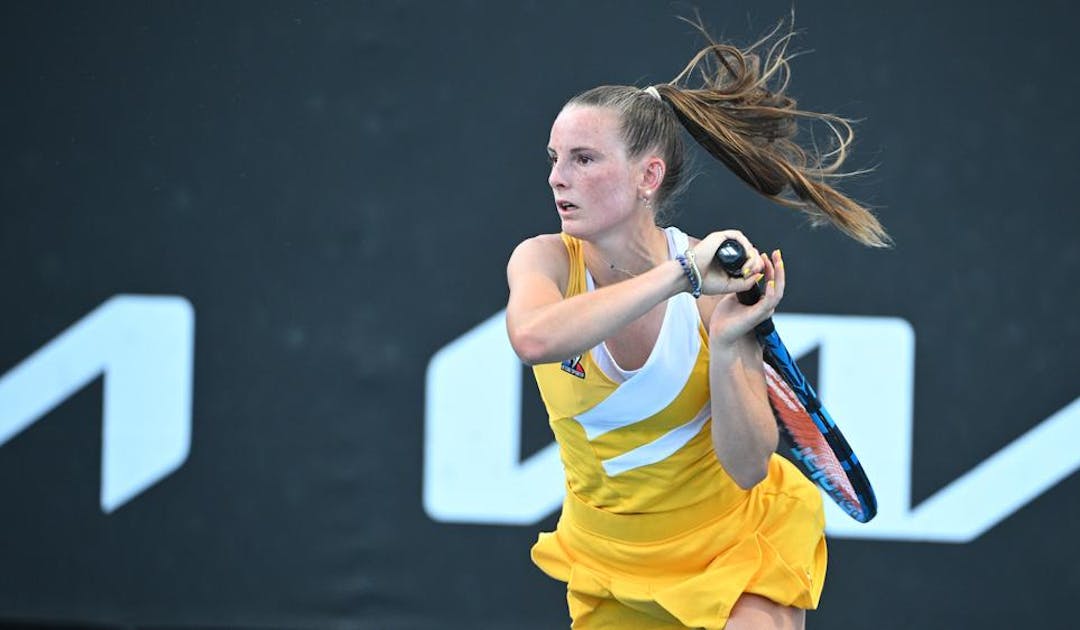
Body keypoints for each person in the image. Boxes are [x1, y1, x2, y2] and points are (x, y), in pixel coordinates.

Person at [504, 22, 889, 630]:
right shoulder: (543, 260)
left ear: (647, 177)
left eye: (583, 159)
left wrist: (733, 337)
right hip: (609, 558)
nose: (557, 177)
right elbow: (534, 338)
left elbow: (747, 465)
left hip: (729, 550)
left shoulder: (712, 300)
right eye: (554, 158)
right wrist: (681, 274)